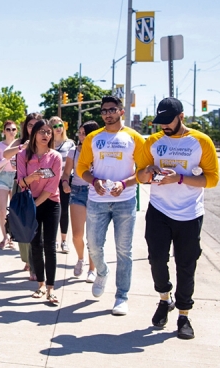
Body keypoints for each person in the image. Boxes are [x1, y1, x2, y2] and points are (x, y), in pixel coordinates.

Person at [135, 97, 219, 339]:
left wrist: (179, 179)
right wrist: (148, 172)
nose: (164, 127)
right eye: (160, 122)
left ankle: (184, 315)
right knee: (156, 259)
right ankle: (164, 298)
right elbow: (140, 175)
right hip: (159, 210)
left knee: (186, 265)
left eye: (168, 121)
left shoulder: (201, 142)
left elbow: (212, 179)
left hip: (190, 213)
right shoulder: (152, 142)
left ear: (181, 116)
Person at [76, 95, 145, 316]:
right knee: (94, 246)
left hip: (125, 200)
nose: (107, 113)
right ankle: (102, 272)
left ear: (121, 111)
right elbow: (82, 168)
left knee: (124, 251)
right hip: (97, 201)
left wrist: (124, 183)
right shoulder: (93, 138)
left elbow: (144, 172)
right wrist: (94, 181)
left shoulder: (134, 137)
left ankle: (121, 296)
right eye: (104, 110)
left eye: (112, 109)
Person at [17, 119, 62, 304]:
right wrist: (30, 178)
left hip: (50, 203)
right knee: (35, 245)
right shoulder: (23, 155)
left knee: (50, 246)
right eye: (42, 131)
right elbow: (20, 182)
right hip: (30, 203)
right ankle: (41, 285)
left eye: (49, 132)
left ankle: (51, 288)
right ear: (33, 133)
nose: (46, 135)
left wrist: (35, 205)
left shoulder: (55, 157)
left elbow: (52, 187)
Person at [61, 120, 100, 282]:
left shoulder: (99, 152)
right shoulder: (73, 152)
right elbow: (66, 174)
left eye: (85, 133)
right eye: (80, 133)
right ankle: (80, 258)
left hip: (95, 192)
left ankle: (92, 269)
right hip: (77, 191)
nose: (81, 136)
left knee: (93, 235)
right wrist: (64, 183)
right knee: (77, 235)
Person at [4, 112, 42, 277]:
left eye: (36, 125)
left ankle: (35, 266)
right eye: (30, 125)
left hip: (41, 188)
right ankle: (28, 260)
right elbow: (5, 155)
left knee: (37, 226)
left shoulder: (45, 141)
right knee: (22, 223)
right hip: (21, 187)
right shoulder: (21, 142)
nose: (33, 128)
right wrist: (23, 147)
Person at [49, 116, 74, 254]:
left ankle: (64, 241)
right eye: (55, 126)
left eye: (60, 125)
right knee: (52, 211)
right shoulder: (47, 144)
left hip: (65, 180)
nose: (58, 128)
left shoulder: (70, 143)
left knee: (64, 211)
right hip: (50, 181)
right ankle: (54, 240)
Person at [0, 120, 19, 250]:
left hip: (16, 178)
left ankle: (12, 238)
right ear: (4, 131)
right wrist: (8, 157)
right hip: (3, 177)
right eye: (8, 129)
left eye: (14, 129)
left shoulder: (20, 145)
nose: (11, 132)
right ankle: (5, 236)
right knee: (2, 210)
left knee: (15, 211)